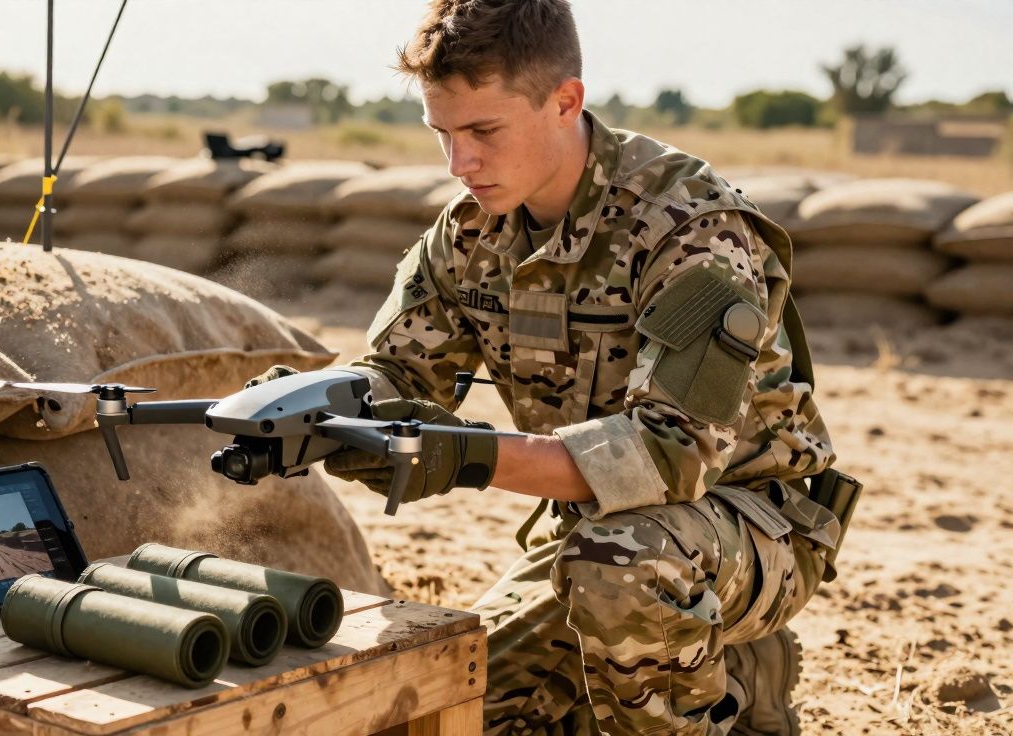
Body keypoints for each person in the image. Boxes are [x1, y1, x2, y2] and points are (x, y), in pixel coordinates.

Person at [249, 1, 848, 733]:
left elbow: (670, 457)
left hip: (751, 524)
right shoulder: (470, 234)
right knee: (449, 706)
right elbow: (401, 374)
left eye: (483, 132)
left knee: (620, 567)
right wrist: (322, 404)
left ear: (566, 101)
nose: (458, 162)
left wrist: (462, 454)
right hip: (596, 531)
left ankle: (738, 667)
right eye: (442, 134)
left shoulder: (690, 228)